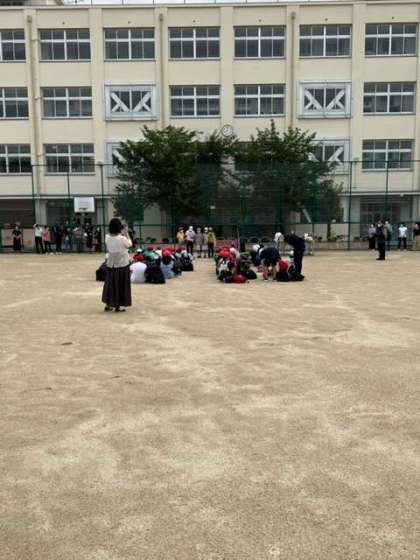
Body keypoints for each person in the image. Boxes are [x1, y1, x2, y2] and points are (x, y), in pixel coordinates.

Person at [102, 218, 132, 312]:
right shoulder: (122, 238)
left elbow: (114, 237)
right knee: (121, 285)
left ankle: (108, 304)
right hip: (122, 265)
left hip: (111, 265)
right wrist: (126, 233)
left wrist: (121, 233)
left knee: (110, 285)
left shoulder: (107, 237)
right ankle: (118, 306)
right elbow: (129, 244)